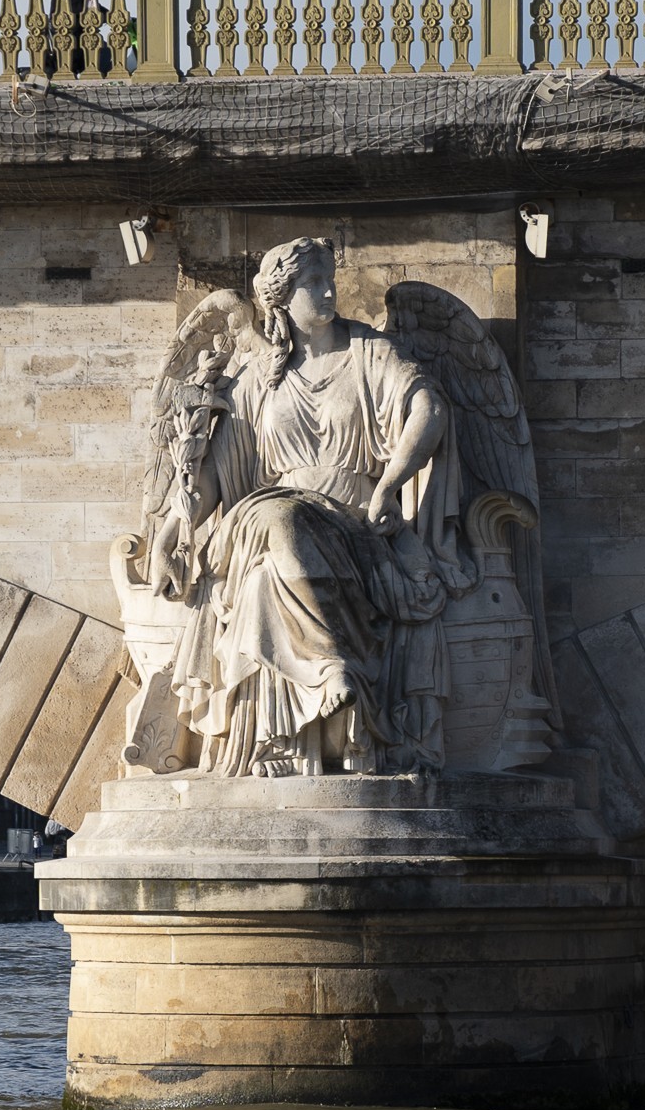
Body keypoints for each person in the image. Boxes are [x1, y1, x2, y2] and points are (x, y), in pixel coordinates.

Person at [167, 237, 469, 779]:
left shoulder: (369, 354)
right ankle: (325, 683)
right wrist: (176, 520)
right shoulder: (259, 378)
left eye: (329, 278)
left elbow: (429, 407)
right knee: (272, 529)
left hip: (355, 525)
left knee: (265, 571)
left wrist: (390, 483)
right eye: (313, 282)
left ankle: (305, 711)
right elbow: (217, 473)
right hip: (273, 516)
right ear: (279, 299)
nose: (329, 290)